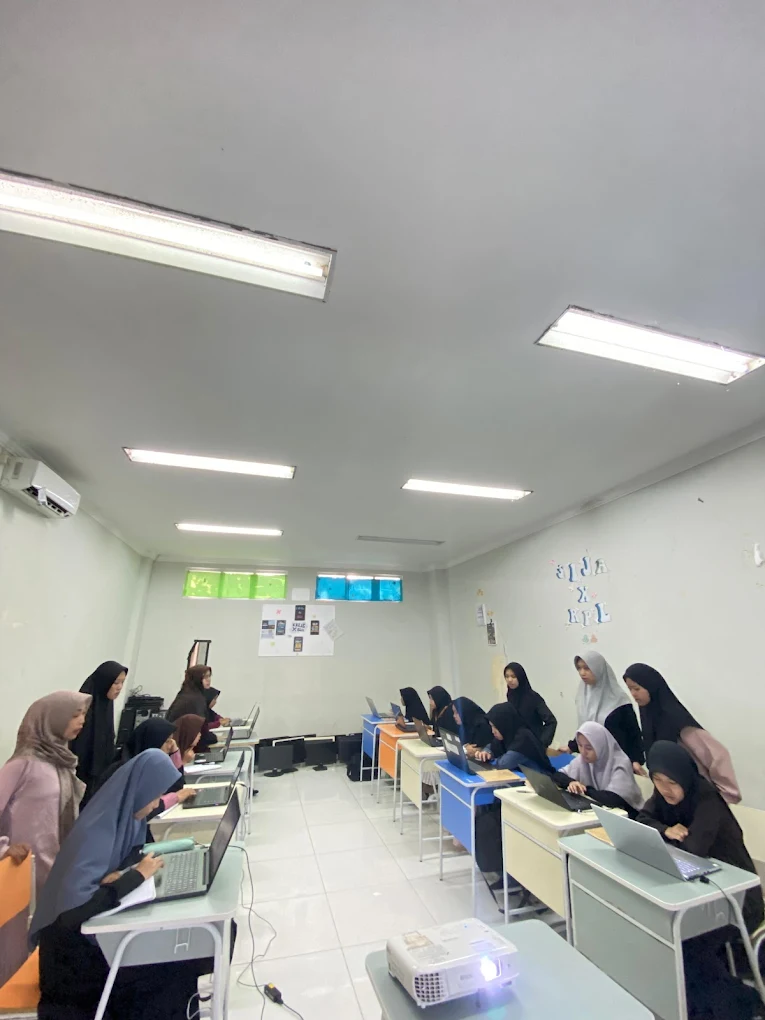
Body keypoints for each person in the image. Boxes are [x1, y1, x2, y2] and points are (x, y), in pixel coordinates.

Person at [30, 748, 214, 1020]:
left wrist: (122, 876)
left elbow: (121, 864)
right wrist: (134, 877)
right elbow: (72, 914)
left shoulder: (122, 818)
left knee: (179, 962)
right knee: (170, 970)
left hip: (94, 937)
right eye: (154, 796)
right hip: (74, 963)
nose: (156, 804)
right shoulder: (95, 833)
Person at [636, 741, 763, 1019]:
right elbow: (642, 819)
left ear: (684, 776)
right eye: (657, 780)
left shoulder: (707, 800)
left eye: (672, 782)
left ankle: (741, 1003)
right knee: (662, 933)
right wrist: (666, 829)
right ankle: (698, 1004)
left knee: (684, 943)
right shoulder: (663, 797)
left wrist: (666, 837)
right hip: (699, 892)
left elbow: (693, 850)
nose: (665, 789)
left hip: (738, 899)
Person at [0, 692, 91, 987]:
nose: (82, 721)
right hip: (22, 871)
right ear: (52, 719)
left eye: (83, 714)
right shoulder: (22, 765)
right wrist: (4, 848)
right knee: (15, 947)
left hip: (53, 867)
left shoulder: (60, 761)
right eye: (75, 715)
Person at [624, 662, 741, 804]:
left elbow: (718, 755)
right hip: (673, 801)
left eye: (637, 688)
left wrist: (725, 798)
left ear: (652, 687)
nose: (633, 694)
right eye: (630, 689)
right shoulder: (649, 718)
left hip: (700, 800)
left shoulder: (677, 722)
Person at [556, 652, 643, 769]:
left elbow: (634, 734)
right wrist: (571, 747)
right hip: (591, 763)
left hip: (617, 765)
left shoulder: (619, 700)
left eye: (587, 668)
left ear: (599, 669)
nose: (582, 673)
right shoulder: (583, 695)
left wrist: (635, 760)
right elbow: (585, 729)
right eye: (579, 668)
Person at [93, 718, 195, 809]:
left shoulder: (149, 765)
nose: (170, 745)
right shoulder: (126, 769)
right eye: (167, 741)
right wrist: (176, 797)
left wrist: (175, 753)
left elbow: (176, 786)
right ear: (153, 742)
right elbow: (141, 809)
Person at [553, 721, 643, 816]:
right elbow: (557, 776)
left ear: (601, 746)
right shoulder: (583, 760)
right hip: (601, 813)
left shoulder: (620, 763)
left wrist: (583, 789)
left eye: (589, 748)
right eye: (580, 745)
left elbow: (613, 799)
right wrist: (571, 782)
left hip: (627, 816)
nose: (583, 752)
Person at [70, 661, 127, 804]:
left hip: (99, 775)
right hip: (80, 773)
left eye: (122, 682)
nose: (119, 687)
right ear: (104, 682)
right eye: (115, 682)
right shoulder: (83, 707)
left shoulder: (106, 704)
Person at [474, 703, 555, 775]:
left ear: (504, 724)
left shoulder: (523, 740)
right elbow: (492, 746)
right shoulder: (507, 735)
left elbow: (503, 764)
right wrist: (486, 752)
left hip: (541, 781)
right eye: (491, 726)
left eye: (495, 727)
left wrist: (490, 758)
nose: (493, 731)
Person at [504, 662, 557, 748]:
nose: (509, 680)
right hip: (517, 744)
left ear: (520, 677)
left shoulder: (533, 697)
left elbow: (551, 721)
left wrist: (542, 743)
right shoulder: (510, 695)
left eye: (513, 676)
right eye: (507, 676)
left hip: (533, 744)